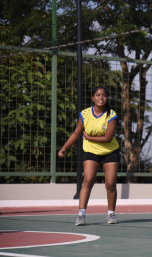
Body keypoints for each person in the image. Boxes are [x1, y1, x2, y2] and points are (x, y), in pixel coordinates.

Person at [59, 86, 120, 226]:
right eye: (97, 95)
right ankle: (81, 215)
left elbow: (108, 138)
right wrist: (64, 148)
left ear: (107, 98)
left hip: (110, 151)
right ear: (93, 98)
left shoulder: (111, 115)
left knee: (110, 184)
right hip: (91, 151)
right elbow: (76, 133)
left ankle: (111, 214)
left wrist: (88, 137)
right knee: (87, 181)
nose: (101, 97)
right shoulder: (85, 114)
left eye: (104, 95)